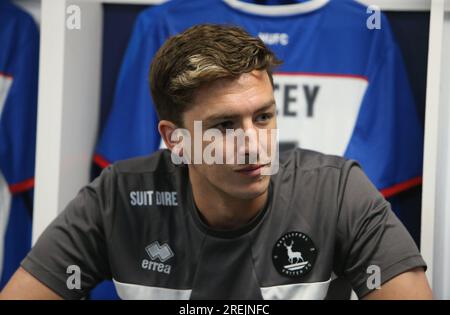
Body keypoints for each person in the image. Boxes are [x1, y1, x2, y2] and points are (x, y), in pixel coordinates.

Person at [0, 24, 432, 300]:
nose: (253, 143)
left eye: (263, 116)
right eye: (224, 126)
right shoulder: (119, 197)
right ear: (176, 139)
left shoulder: (338, 192)